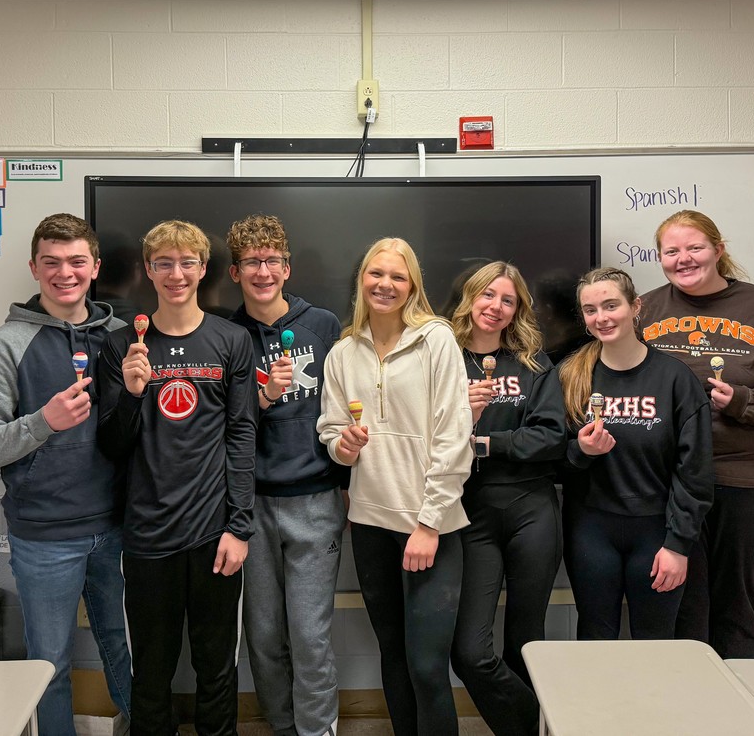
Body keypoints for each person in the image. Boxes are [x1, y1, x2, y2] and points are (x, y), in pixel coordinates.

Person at [0, 214, 131, 736]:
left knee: (125, 649)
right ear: (34, 268)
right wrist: (43, 423)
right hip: (45, 535)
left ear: (95, 267)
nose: (65, 273)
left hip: (121, 528)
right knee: (50, 662)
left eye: (77, 261)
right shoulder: (6, 344)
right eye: (52, 262)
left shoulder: (126, 337)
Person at [640, 210, 754, 658]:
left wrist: (745, 402)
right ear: (660, 257)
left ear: (718, 250)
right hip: (672, 486)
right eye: (672, 251)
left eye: (695, 248)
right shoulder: (644, 309)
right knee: (682, 611)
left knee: (737, 614)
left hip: (749, 484)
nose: (683, 259)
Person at [97, 219, 256, 736]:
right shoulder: (121, 346)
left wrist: (239, 526)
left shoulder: (232, 340)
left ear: (203, 269)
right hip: (147, 537)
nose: (176, 273)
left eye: (187, 262)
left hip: (215, 536)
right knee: (152, 673)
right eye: (163, 263)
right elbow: (111, 446)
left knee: (216, 669)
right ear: (148, 270)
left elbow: (241, 436)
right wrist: (133, 393)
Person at [316, 237, 472, 736]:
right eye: (376, 274)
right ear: (362, 280)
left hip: (430, 527)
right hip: (369, 524)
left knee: (427, 665)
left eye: (397, 277)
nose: (385, 285)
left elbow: (454, 435)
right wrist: (344, 447)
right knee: (393, 655)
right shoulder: (343, 351)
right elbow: (330, 429)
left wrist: (428, 523)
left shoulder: (436, 340)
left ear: (412, 288)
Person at [225, 214, 346, 736]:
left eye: (272, 260)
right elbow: (223, 422)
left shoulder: (323, 325)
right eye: (252, 261)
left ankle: (317, 732)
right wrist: (264, 395)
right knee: (264, 634)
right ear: (235, 272)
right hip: (248, 504)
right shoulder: (226, 337)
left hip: (315, 501)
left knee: (311, 635)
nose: (263, 270)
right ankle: (282, 726)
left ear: (287, 267)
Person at [558, 267, 714, 640]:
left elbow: (695, 471)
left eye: (611, 305)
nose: (602, 317)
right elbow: (550, 458)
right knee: (596, 637)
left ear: (635, 306)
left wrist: (678, 545)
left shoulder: (674, 378)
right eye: (591, 310)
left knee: (655, 640)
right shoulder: (571, 376)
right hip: (591, 530)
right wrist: (580, 451)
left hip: (657, 531)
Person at [448, 262, 565, 736]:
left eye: (508, 300)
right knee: (470, 652)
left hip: (532, 510)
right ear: (470, 298)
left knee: (525, 642)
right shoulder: (444, 358)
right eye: (487, 295)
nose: (495, 307)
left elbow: (551, 437)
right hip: (470, 513)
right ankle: (534, 728)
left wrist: (487, 444)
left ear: (518, 310)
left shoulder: (534, 365)